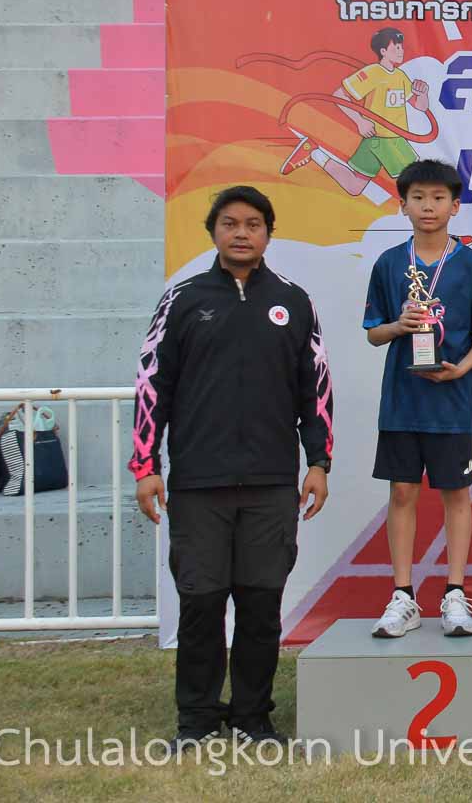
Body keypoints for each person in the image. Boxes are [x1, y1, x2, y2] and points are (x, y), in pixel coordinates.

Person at [129, 185, 333, 747]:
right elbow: (152, 384)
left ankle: (252, 718)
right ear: (213, 231)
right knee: (201, 602)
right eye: (230, 224)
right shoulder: (183, 299)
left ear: (268, 233)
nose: (241, 233)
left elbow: (315, 389)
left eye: (253, 224)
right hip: (199, 482)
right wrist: (145, 465)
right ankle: (196, 720)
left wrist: (319, 462)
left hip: (271, 482)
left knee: (261, 603)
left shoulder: (294, 300)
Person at [364, 159, 472, 638]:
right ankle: (403, 597)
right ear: (402, 205)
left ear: (455, 205)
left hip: (452, 403)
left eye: (438, 198)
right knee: (402, 492)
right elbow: (373, 333)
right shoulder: (389, 264)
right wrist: (398, 325)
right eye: (419, 198)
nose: (429, 206)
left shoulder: (471, 265)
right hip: (401, 403)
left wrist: (461, 369)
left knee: (456, 494)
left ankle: (454, 594)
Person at [280, 27, 439, 203]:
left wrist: (422, 93)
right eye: (396, 47)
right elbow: (340, 95)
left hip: (384, 139)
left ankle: (314, 153)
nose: (401, 51)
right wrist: (360, 121)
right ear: (383, 51)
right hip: (386, 140)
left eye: (401, 47)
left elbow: (421, 106)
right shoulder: (373, 73)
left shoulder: (400, 76)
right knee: (416, 181)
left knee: (354, 186)